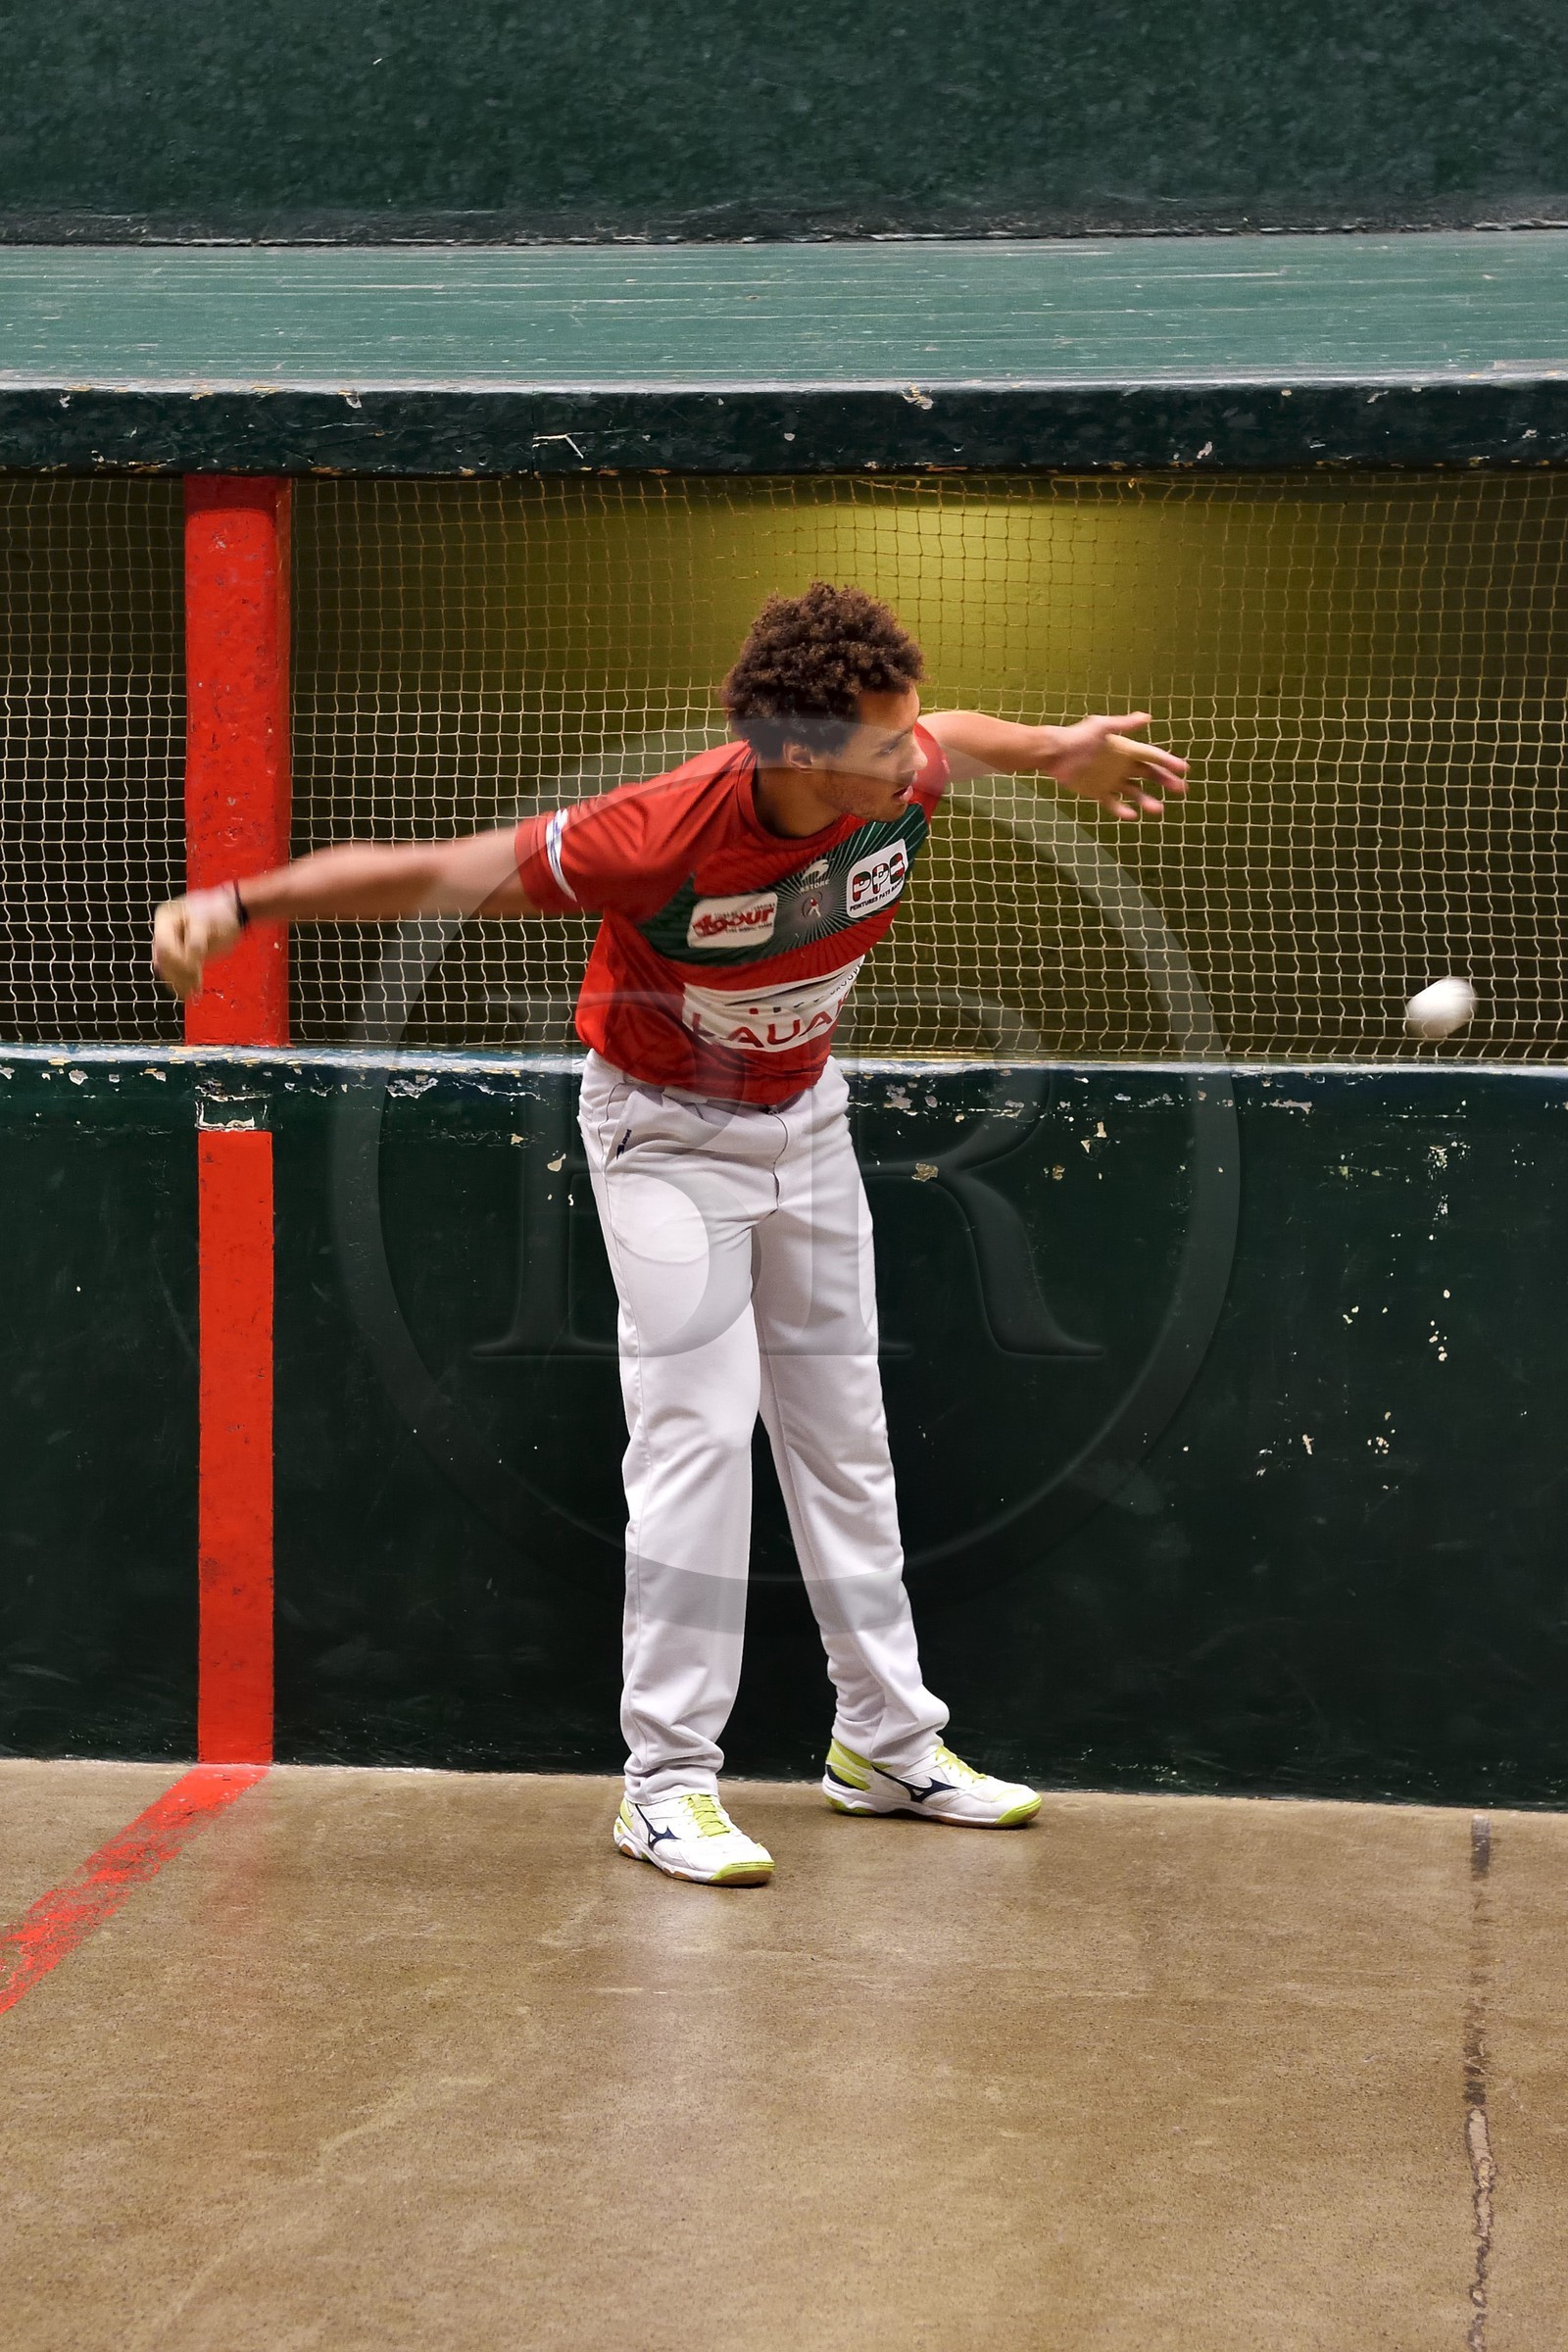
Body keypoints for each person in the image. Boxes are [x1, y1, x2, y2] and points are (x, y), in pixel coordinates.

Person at [153, 582, 1187, 1887]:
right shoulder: (655, 836)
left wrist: (1055, 752)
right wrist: (239, 905)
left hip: (806, 1121)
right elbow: (437, 871)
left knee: (844, 1437)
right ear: (796, 753)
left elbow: (963, 737)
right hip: (663, 1137)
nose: (912, 754)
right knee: (698, 1435)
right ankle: (666, 1785)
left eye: (905, 729)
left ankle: (884, 1742)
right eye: (883, 739)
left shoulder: (899, 764)